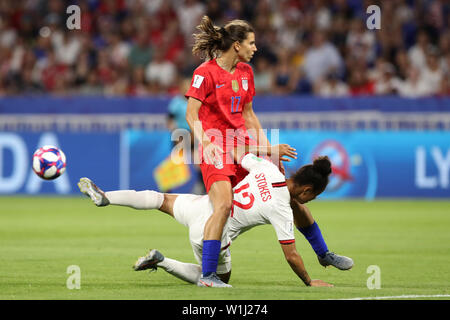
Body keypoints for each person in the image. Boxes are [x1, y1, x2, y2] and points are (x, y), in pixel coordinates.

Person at [78, 152, 353, 287]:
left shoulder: (268, 168)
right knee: (214, 278)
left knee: (157, 198)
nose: (309, 201)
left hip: (202, 205)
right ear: (306, 190)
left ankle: (107, 197)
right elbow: (291, 255)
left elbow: (240, 153)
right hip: (212, 233)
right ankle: (163, 261)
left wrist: (267, 151)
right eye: (312, 197)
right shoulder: (281, 207)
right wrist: (309, 281)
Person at [184, 16, 295, 286]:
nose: (255, 48)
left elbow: (249, 115)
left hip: (244, 151)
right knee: (223, 204)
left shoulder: (246, 72)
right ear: (236, 45)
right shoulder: (205, 73)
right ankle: (208, 275)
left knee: (287, 193)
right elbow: (191, 114)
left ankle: (323, 251)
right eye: (251, 43)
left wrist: (267, 150)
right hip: (216, 150)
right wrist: (205, 141)